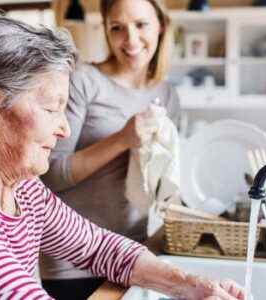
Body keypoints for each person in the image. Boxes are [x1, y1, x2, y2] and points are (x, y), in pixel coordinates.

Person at [0, 14, 243, 300]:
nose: (64, 129)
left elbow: (98, 247)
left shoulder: (21, 187)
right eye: (52, 108)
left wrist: (194, 286)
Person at [39, 0, 182, 297]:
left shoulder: (167, 94)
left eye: (141, 24)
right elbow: (49, 174)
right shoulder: (83, 81)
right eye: (117, 28)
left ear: (161, 25)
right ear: (105, 31)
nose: (130, 39)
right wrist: (121, 139)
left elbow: (163, 173)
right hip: (73, 260)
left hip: (134, 252)